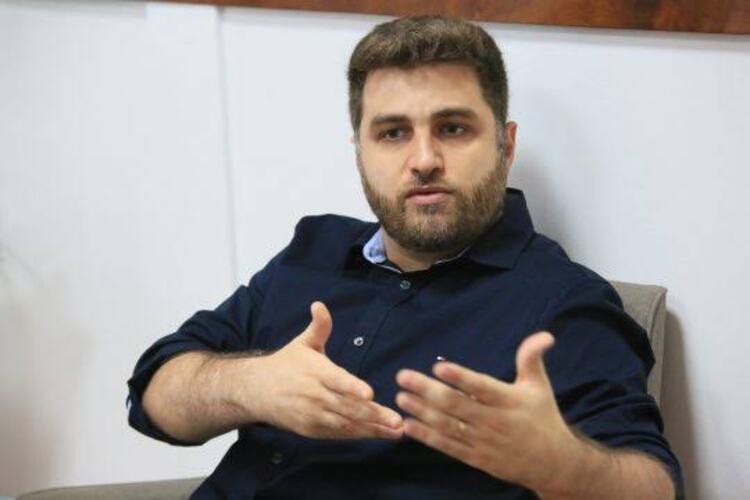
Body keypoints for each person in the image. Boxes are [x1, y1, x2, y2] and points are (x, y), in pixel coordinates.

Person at [127, 15, 683, 499]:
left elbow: (655, 486)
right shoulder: (313, 250)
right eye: (393, 133)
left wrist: (562, 465)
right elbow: (152, 398)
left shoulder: (560, 302)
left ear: (506, 145)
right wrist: (253, 386)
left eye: (453, 128)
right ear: (360, 153)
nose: (423, 159)